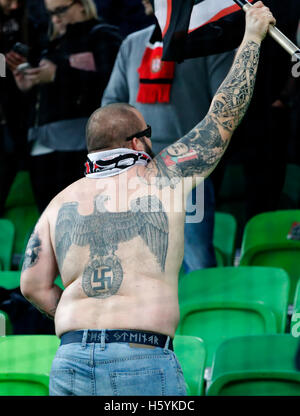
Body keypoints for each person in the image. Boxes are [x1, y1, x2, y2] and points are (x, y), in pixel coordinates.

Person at [20, 2, 276, 396]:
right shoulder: (160, 177)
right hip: (140, 356)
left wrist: (81, 320)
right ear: (139, 141)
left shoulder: (59, 202)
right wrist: (252, 39)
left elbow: (33, 285)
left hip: (69, 358)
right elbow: (222, 117)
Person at [102, 0, 236, 272]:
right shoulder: (132, 43)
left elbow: (225, 107)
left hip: (188, 168)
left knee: (194, 253)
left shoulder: (211, 43)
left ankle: (198, 314)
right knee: (138, 255)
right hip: (136, 169)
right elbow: (111, 103)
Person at [13, 0, 122, 213]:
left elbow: (113, 86)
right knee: (51, 225)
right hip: (41, 144)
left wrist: (57, 74)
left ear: (82, 4)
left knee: (85, 223)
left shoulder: (102, 35)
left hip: (82, 144)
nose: (55, 18)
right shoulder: (49, 43)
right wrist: (28, 86)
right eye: (50, 13)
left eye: (61, 10)